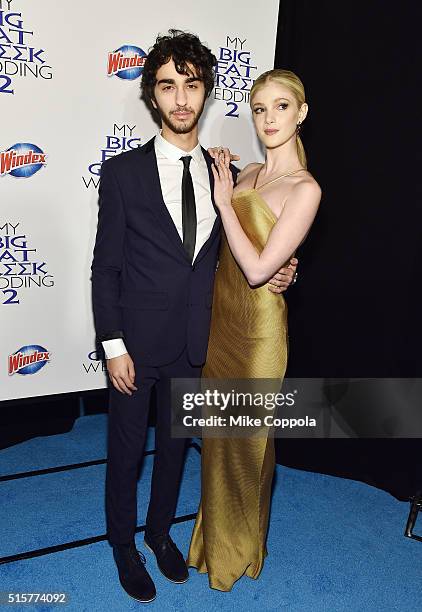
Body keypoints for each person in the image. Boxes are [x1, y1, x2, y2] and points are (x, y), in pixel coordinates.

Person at [90, 31, 298, 603]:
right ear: (152, 97)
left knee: (175, 450)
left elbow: (248, 250)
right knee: (127, 450)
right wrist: (112, 345)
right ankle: (122, 544)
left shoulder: (226, 174)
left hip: (196, 341)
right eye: (167, 86)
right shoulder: (124, 173)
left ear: (205, 93)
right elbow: (105, 267)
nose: (181, 99)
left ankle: (159, 534)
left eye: (192, 85)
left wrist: (282, 272)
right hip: (134, 343)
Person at [187, 69, 321, 591]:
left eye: (280, 107)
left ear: (301, 113)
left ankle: (239, 551)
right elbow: (229, 253)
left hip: (260, 332)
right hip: (221, 324)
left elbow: (261, 270)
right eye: (259, 108)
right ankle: (211, 541)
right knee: (217, 438)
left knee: (250, 443)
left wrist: (226, 203)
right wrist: (228, 190)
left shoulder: (305, 188)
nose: (268, 119)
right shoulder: (245, 177)